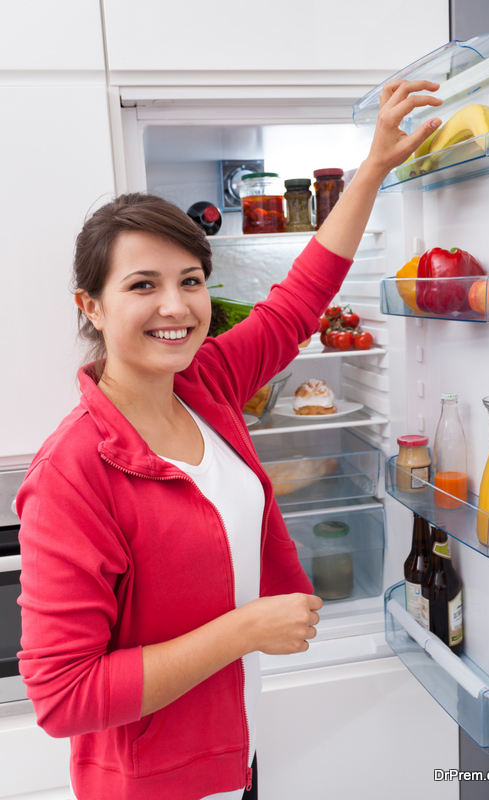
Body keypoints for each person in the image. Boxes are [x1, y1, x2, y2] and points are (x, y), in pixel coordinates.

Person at [16, 80, 442, 800]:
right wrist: (244, 630)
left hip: (237, 745)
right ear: (90, 304)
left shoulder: (205, 383)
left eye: (190, 280)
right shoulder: (74, 472)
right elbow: (63, 696)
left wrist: (371, 168)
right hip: (153, 785)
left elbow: (300, 299)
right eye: (142, 285)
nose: (176, 306)